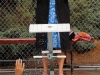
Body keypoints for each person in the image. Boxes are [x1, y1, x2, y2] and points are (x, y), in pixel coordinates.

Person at [36, 0, 74, 75]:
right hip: (44, 11)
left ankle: (60, 71)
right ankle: (45, 71)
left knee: (60, 42)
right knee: (45, 43)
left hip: (60, 10)